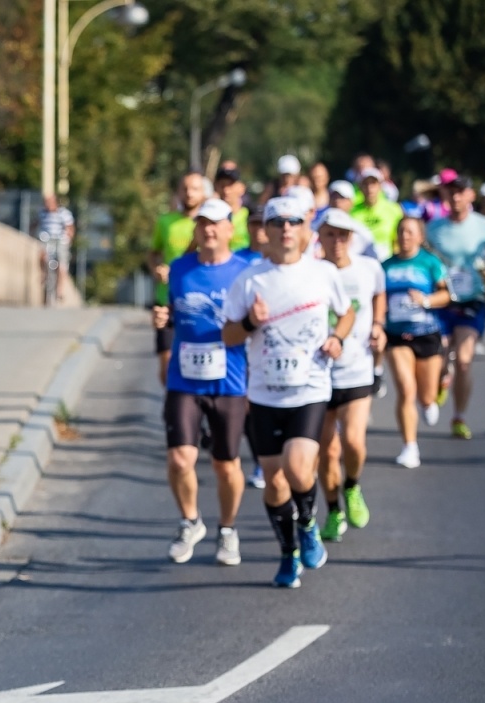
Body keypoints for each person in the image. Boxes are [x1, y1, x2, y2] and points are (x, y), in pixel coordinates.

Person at [222, 196, 354, 589]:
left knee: (298, 468)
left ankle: (309, 524)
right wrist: (250, 321)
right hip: (264, 393)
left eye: (292, 222)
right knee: (276, 482)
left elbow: (347, 313)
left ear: (304, 227)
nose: (284, 229)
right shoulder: (250, 278)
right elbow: (229, 335)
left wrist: (337, 338)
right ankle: (288, 552)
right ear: (267, 229)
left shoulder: (323, 273)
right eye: (276, 222)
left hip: (310, 387)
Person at [155, 199, 251, 566]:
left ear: (229, 229)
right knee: (180, 459)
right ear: (195, 230)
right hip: (185, 378)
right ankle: (190, 521)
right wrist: (163, 319)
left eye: (216, 224)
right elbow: (173, 315)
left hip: (229, 379)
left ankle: (227, 529)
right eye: (202, 224)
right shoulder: (179, 269)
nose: (209, 230)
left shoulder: (245, 271)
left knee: (226, 464)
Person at [314, 211, 387, 541]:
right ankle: (332, 510)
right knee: (326, 451)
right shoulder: (312, 272)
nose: (337, 241)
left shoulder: (368, 268)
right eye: (329, 234)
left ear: (352, 237)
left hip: (357, 367)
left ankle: (353, 485)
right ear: (320, 238)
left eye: (343, 235)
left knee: (353, 441)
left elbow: (378, 295)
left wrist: (378, 326)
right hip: (318, 373)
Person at [428, 177, 485, 441]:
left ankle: (459, 417)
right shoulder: (433, 228)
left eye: (461, 193)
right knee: (440, 356)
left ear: (470, 196)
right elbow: (423, 254)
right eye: (451, 193)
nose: (455, 198)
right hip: (441, 299)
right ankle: (442, 376)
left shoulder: (484, 226)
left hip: (472, 299)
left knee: (464, 360)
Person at [382, 217, 452, 468]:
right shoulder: (386, 266)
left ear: (420, 237)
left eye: (410, 232)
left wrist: (425, 301)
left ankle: (435, 392)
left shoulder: (430, 263)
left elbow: (446, 295)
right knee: (405, 388)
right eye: (401, 231)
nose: (405, 236)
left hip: (426, 332)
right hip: (397, 334)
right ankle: (409, 446)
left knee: (425, 395)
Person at [149, 172, 209, 382]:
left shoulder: (209, 226)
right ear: (178, 192)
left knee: (199, 365)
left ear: (203, 193)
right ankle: (173, 405)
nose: (189, 193)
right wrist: (156, 269)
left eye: (195, 189)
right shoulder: (166, 221)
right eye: (185, 188)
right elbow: (153, 253)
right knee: (166, 367)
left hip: (197, 301)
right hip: (166, 299)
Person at [351, 167, 404, 259]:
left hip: (387, 258)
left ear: (380, 186)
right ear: (360, 187)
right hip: (361, 259)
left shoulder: (394, 209)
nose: (369, 188)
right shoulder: (352, 211)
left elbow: (398, 239)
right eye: (365, 184)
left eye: (373, 184)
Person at [37, 193, 75, 302]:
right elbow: (36, 224)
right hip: (47, 239)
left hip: (60, 240)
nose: (47, 204)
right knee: (42, 255)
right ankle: (44, 274)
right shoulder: (42, 213)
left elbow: (70, 227)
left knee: (62, 264)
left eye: (49, 202)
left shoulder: (64, 213)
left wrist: (69, 236)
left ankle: (60, 289)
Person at [216, 168, 250, 251]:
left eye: (230, 185)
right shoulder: (208, 219)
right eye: (222, 185)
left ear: (242, 188)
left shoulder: (250, 217)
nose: (226, 190)